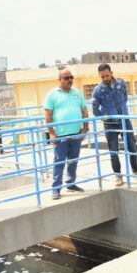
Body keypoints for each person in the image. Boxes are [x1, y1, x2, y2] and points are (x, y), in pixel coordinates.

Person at [91, 64, 137, 187]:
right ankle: (118, 175)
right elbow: (95, 108)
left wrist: (122, 110)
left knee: (132, 146)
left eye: (107, 75)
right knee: (114, 151)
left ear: (111, 72)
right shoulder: (98, 90)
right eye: (102, 76)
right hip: (110, 125)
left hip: (125, 121)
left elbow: (125, 97)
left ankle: (135, 169)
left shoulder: (121, 83)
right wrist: (104, 116)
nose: (105, 78)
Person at [44, 68, 89, 200]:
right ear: (59, 80)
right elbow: (48, 116)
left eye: (71, 77)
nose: (70, 80)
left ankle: (71, 183)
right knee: (59, 162)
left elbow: (84, 111)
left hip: (76, 133)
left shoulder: (77, 93)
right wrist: (51, 133)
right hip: (60, 135)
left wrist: (85, 129)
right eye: (66, 78)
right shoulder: (52, 94)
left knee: (73, 161)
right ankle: (56, 188)